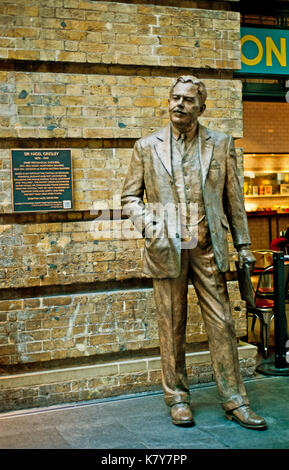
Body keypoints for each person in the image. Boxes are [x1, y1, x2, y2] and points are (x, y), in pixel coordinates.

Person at [121, 75, 267, 430]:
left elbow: (234, 199)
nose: (179, 104)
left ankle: (235, 399)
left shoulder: (220, 144)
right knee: (171, 325)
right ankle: (177, 397)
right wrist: (152, 228)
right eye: (175, 98)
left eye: (187, 100)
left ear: (202, 106)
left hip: (206, 246)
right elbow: (129, 198)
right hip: (167, 247)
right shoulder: (146, 146)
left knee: (223, 323)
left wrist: (244, 245)